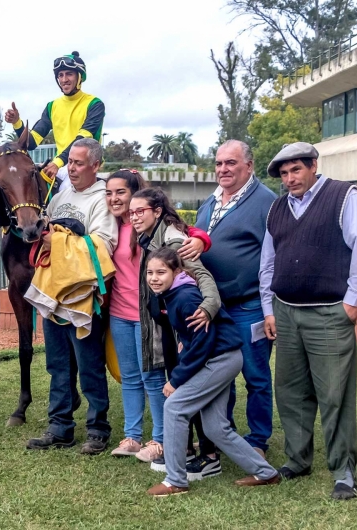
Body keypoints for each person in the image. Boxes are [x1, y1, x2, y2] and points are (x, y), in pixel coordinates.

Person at [260, 142, 357, 501]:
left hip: (329, 311)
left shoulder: (344, 196)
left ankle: (343, 470)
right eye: (283, 173)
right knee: (291, 391)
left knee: (334, 393)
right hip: (285, 310)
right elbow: (268, 262)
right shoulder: (277, 208)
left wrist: (353, 300)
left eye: (296, 170)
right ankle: (298, 459)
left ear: (313, 165)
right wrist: (268, 308)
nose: (290, 178)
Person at [144, 248, 280, 497]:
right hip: (222, 356)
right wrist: (188, 338)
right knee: (216, 426)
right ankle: (266, 473)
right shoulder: (173, 294)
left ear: (177, 272)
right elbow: (199, 333)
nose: (154, 277)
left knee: (174, 407)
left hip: (220, 359)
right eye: (150, 272)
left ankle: (175, 480)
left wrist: (177, 379)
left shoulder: (185, 297)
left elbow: (206, 340)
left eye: (161, 272)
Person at [105, 170, 211, 461]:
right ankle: (132, 436)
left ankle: (160, 439)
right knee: (129, 377)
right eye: (109, 193)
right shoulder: (112, 226)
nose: (116, 199)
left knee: (152, 376)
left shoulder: (157, 227)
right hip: (119, 312)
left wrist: (201, 238)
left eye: (122, 193)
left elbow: (184, 243)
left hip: (147, 316)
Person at [25, 138, 117, 455]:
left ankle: (97, 429)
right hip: (54, 294)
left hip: (83, 296)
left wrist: (58, 242)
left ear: (96, 165)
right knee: (58, 366)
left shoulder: (102, 199)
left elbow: (103, 245)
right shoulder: (60, 194)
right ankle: (60, 427)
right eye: (70, 162)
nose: (72, 168)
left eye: (78, 163)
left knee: (89, 365)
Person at [193, 140, 277, 460]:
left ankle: (257, 440)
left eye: (231, 163)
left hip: (248, 305)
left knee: (255, 376)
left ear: (249, 166)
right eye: (218, 163)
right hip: (214, 307)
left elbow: (274, 256)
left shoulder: (266, 203)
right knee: (218, 375)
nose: (223, 170)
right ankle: (220, 433)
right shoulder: (210, 202)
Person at [129, 187, 221, 470]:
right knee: (182, 388)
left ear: (157, 211)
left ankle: (209, 455)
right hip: (170, 327)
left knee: (191, 387)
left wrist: (208, 307)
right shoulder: (148, 236)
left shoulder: (172, 238)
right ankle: (186, 449)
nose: (133, 217)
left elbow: (201, 274)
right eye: (131, 212)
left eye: (140, 211)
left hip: (188, 325)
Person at [5, 51, 105, 190]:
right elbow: (32, 142)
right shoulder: (52, 106)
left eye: (69, 74)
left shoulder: (95, 104)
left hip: (85, 165)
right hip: (61, 166)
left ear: (80, 77)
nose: (64, 79)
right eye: (60, 75)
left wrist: (57, 163)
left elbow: (81, 142)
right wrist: (17, 122)